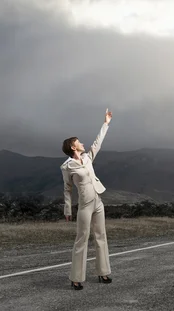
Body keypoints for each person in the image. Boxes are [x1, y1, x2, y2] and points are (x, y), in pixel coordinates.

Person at [60, 109, 113, 290]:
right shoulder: (67, 167)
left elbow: (98, 143)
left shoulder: (87, 158)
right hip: (85, 205)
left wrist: (105, 123)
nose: (82, 143)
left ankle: (103, 272)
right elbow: (67, 189)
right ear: (73, 147)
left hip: (98, 201)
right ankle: (76, 278)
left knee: (101, 236)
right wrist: (68, 209)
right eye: (78, 142)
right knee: (81, 239)